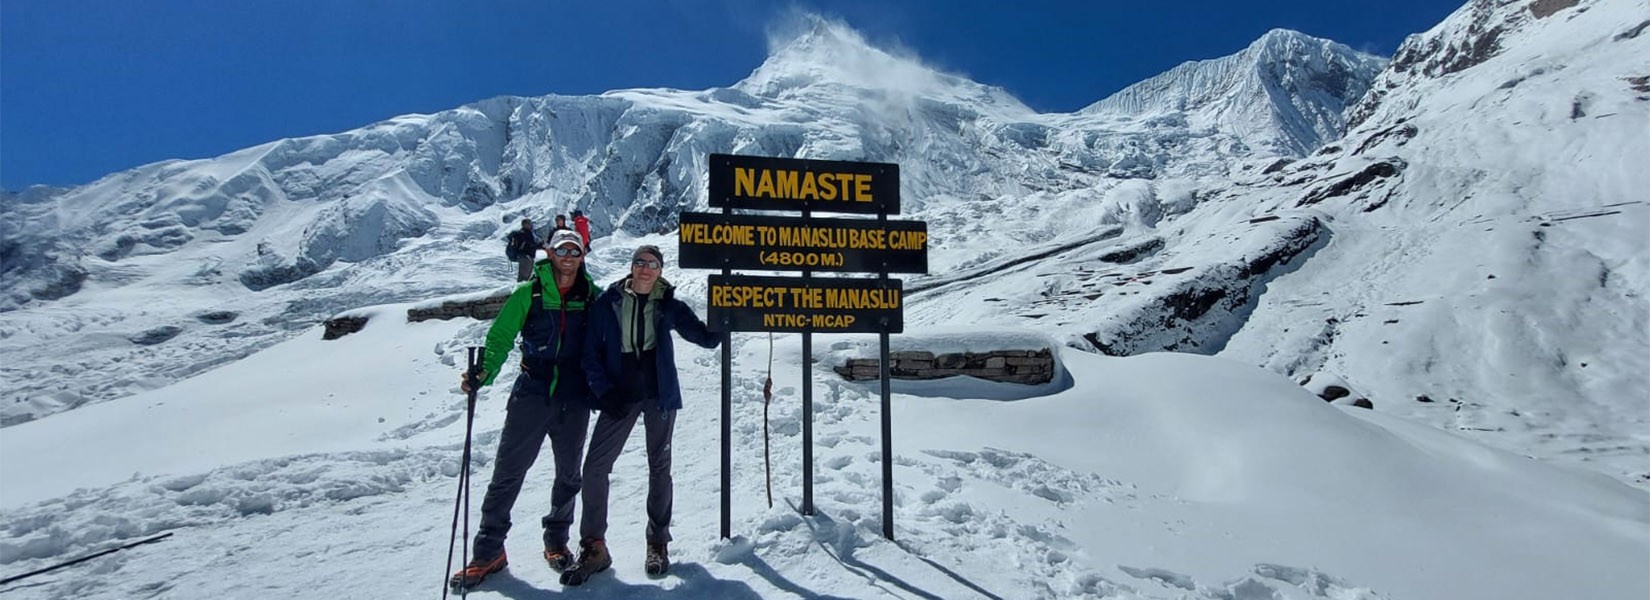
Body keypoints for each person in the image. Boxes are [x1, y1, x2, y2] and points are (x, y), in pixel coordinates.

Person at [450, 230, 602, 591]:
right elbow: (501, 337)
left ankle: (556, 541)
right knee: (508, 472)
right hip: (532, 392)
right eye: (562, 249)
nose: (568, 255)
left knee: (569, 474)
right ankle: (489, 551)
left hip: (574, 395)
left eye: (575, 250)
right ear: (548, 253)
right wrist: (482, 373)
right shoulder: (527, 294)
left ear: (582, 256)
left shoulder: (590, 296)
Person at [561, 245, 719, 585]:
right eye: (639, 263)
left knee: (659, 467)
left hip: (659, 396)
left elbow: (704, 337)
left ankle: (658, 543)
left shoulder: (668, 305)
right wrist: (605, 392)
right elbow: (589, 354)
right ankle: (594, 546)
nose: (645, 269)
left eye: (652, 264)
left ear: (660, 271)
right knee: (595, 467)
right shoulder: (607, 303)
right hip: (621, 395)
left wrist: (730, 318)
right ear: (631, 267)